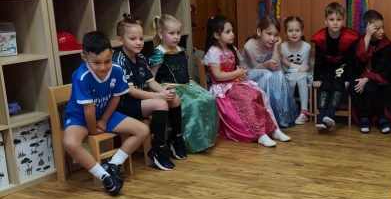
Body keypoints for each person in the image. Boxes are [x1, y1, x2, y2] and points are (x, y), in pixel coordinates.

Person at [62, 31, 149, 196]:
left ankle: (114, 164)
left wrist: (103, 120)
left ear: (112, 54)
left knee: (143, 130)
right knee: (70, 143)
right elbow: (88, 109)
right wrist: (93, 130)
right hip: (79, 119)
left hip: (104, 115)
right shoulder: (81, 76)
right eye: (96, 62)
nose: (102, 67)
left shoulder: (116, 70)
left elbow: (116, 98)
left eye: (107, 61)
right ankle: (104, 176)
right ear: (84, 57)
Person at [203, 15, 289, 147]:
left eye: (232, 31)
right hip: (222, 89)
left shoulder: (232, 49)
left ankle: (273, 129)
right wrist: (236, 73)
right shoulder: (213, 52)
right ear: (216, 35)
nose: (232, 34)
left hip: (233, 84)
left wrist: (241, 72)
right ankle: (259, 134)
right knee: (246, 99)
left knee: (258, 94)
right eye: (228, 32)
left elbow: (239, 67)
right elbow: (218, 76)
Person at [114, 13, 183, 171]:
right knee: (160, 104)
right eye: (133, 39)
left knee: (174, 99)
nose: (138, 42)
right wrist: (159, 96)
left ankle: (176, 138)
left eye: (140, 38)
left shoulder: (141, 58)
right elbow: (131, 92)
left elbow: (151, 82)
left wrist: (164, 91)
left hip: (138, 102)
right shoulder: (119, 61)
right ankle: (158, 148)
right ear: (120, 40)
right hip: (123, 105)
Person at [148, 14, 218, 153]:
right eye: (172, 33)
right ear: (161, 34)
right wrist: (159, 93)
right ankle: (186, 141)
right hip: (171, 87)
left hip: (187, 85)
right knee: (193, 104)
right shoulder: (159, 53)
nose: (176, 37)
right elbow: (151, 78)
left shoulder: (181, 50)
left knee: (209, 98)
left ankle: (204, 139)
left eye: (178, 33)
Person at [349, 9, 391, 134]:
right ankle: (364, 118)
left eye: (383, 27)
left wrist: (368, 78)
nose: (382, 31)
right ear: (368, 28)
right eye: (377, 28)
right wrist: (367, 37)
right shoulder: (359, 41)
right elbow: (356, 64)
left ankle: (381, 118)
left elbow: (384, 68)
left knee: (372, 86)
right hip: (360, 76)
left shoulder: (387, 45)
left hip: (379, 78)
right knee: (354, 86)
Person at [310, 2, 358, 131]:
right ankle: (321, 118)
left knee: (338, 85)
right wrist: (316, 78)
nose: (335, 23)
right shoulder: (321, 38)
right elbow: (319, 61)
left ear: (343, 21)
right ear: (326, 21)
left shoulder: (348, 37)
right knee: (325, 86)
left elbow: (350, 61)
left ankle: (330, 114)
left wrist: (348, 78)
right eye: (331, 19)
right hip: (327, 68)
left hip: (342, 68)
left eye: (339, 19)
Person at [243, 15, 297, 128]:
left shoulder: (275, 44)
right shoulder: (249, 46)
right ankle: (266, 116)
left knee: (279, 74)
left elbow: (277, 67)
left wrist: (276, 47)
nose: (272, 38)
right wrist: (265, 65)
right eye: (269, 34)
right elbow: (254, 67)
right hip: (251, 74)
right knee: (268, 75)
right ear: (259, 32)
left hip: (269, 72)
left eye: (276, 35)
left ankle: (280, 116)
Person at [280, 15, 312, 124]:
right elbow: (284, 68)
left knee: (301, 77)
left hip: (302, 75)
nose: (294, 33)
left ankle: (304, 112)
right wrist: (293, 67)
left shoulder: (306, 47)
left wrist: (289, 64)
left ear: (302, 32)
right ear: (285, 32)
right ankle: (289, 110)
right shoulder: (282, 47)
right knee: (292, 79)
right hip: (287, 74)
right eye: (290, 31)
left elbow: (305, 67)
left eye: (297, 30)